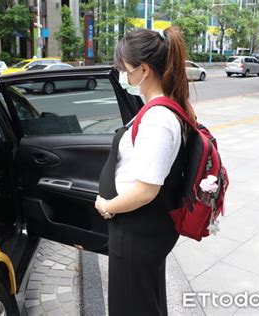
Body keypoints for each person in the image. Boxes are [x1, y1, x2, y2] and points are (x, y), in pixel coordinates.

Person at [94, 27, 197, 316]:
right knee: (144, 301)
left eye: (126, 70)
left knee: (132, 307)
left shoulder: (158, 120)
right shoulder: (162, 107)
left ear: (144, 70)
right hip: (143, 231)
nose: (125, 77)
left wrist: (107, 207)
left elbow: (146, 189)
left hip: (137, 232)